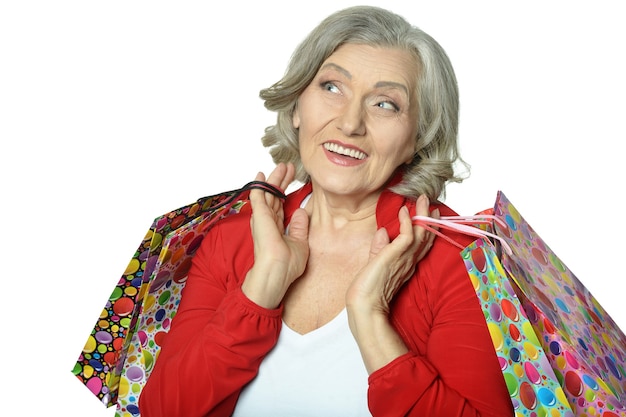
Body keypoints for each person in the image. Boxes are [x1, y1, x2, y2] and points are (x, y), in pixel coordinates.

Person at [139, 5, 514, 417]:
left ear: (418, 138)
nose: (350, 123)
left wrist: (371, 318)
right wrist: (260, 289)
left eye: (385, 104)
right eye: (332, 87)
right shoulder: (231, 238)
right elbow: (162, 410)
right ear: (297, 106)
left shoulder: (460, 260)